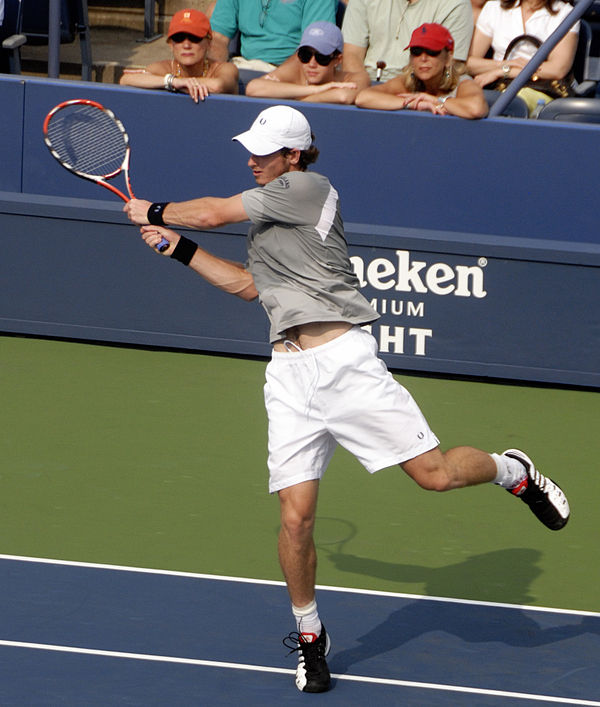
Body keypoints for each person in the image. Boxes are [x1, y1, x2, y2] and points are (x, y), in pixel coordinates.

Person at [123, 104, 570, 694]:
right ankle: (310, 636)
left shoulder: (307, 188)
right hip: (288, 377)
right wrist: (175, 248)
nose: (253, 159)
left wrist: (152, 209)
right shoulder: (269, 225)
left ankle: (511, 469)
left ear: (295, 155)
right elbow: (248, 287)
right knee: (294, 517)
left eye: (265, 151)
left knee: (433, 477)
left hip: (345, 365)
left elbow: (209, 212)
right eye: (251, 150)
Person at [466, 0, 579, 114]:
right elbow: (469, 63)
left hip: (542, 88)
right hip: (497, 86)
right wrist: (503, 65)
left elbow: (557, 69)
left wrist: (503, 72)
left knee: (513, 103)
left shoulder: (566, 13)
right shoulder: (494, 7)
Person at [355, 23, 488, 118]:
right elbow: (363, 98)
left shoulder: (463, 83)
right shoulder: (408, 80)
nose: (423, 58)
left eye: (432, 52)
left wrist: (437, 101)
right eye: (416, 52)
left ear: (448, 58)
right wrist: (414, 104)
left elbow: (475, 109)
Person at [119, 9, 238, 102]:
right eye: (179, 38)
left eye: (194, 38)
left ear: (209, 43)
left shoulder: (223, 68)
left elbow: (218, 85)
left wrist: (182, 83)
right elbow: (126, 80)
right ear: (171, 44)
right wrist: (174, 82)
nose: (186, 45)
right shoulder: (164, 68)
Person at [341, 0, 474, 83]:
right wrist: (364, 90)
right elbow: (351, 55)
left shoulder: (456, 3)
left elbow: (447, 68)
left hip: (418, 92)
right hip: (364, 86)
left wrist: (387, 94)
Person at [245, 21, 370, 104]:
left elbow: (343, 96)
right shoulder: (296, 66)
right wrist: (315, 90)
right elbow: (253, 88)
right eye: (305, 55)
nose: (312, 63)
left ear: (338, 60)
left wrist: (293, 97)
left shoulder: (355, 77)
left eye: (322, 57)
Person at [208, 0, 336, 72]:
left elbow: (313, 48)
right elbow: (217, 38)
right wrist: (213, 70)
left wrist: (274, 78)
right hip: (242, 67)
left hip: (291, 74)